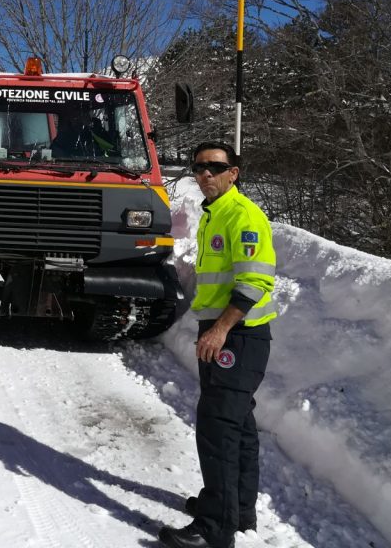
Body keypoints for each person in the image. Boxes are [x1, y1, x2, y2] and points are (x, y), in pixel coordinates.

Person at [158, 142, 277, 548]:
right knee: (238, 426)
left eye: (215, 167)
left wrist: (219, 329)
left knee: (216, 428)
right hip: (228, 332)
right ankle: (237, 511)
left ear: (233, 173)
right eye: (199, 167)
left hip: (238, 335)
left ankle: (214, 529)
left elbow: (256, 281)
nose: (205, 173)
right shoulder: (215, 214)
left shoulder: (242, 215)